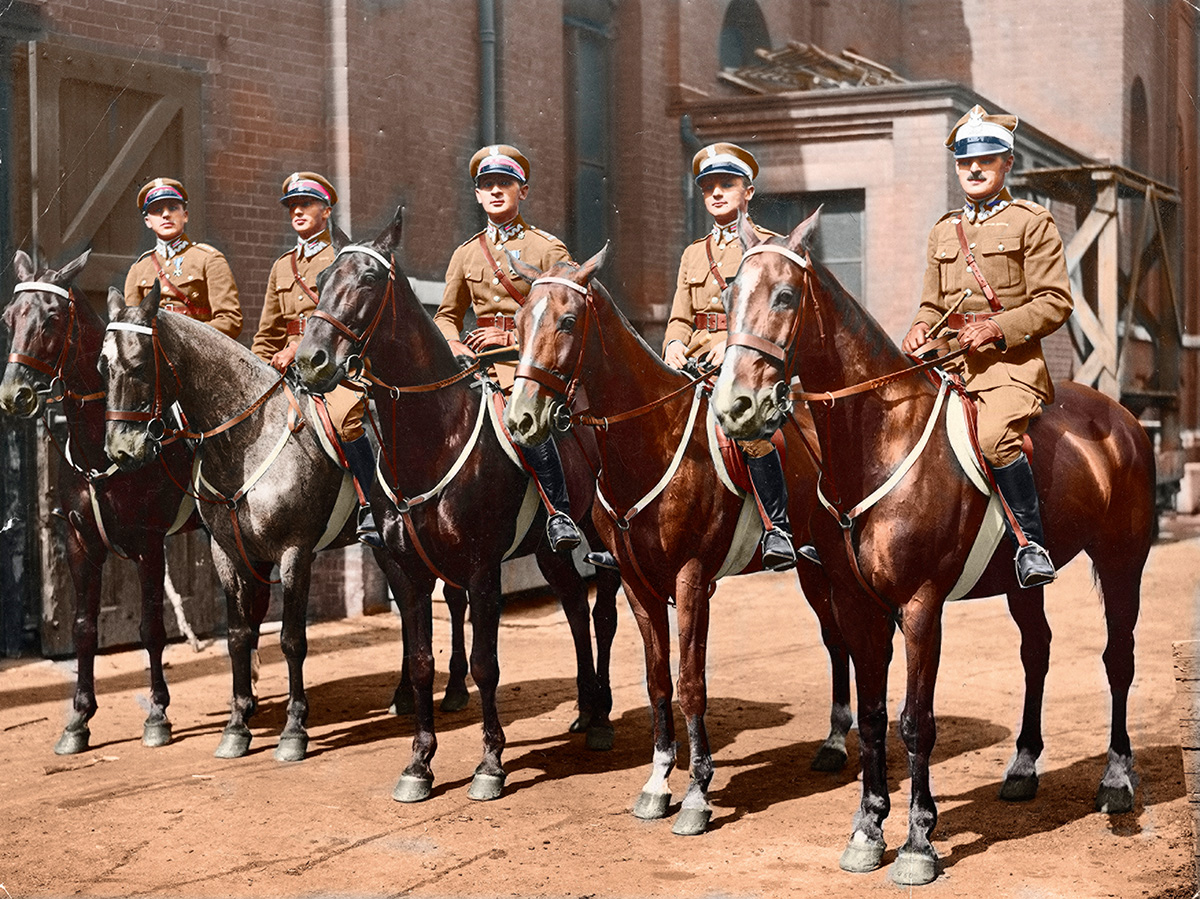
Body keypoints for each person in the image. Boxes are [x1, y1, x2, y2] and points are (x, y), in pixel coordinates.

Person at [901, 105, 1074, 588]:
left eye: (986, 160)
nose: (974, 169)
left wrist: (998, 328)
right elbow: (932, 304)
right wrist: (920, 326)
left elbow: (1055, 301)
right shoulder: (943, 229)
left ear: (1007, 163)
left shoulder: (1031, 222)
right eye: (964, 161)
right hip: (946, 360)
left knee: (995, 437)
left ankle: (1031, 544)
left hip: (1008, 367)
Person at [661, 142, 803, 571]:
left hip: (746, 365)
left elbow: (772, 316)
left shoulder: (769, 249)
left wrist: (730, 342)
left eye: (727, 184)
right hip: (693, 366)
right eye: (709, 188)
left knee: (749, 431)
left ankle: (777, 529)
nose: (717, 193)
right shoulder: (693, 253)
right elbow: (680, 317)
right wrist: (673, 344)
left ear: (749, 192)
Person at [433, 144, 582, 555]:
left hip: (528, 364)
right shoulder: (466, 254)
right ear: (478, 195)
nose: (496, 191)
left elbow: (566, 317)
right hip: (473, 364)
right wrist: (453, 342)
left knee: (524, 418)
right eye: (487, 185)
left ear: (523, 191)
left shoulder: (547, 249)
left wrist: (512, 340)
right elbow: (446, 315)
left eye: (505, 183)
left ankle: (558, 512)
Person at [250, 172, 381, 549]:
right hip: (286, 371)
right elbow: (267, 332)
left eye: (306, 204)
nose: (298, 211)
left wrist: (297, 347)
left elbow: (349, 318)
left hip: (334, 367)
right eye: (292, 205)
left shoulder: (343, 257)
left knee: (343, 419)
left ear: (326, 210)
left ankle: (372, 505)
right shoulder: (283, 266)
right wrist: (257, 369)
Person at [125, 178, 242, 339]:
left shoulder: (209, 259)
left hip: (198, 348)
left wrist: (185, 338)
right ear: (148, 221)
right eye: (157, 210)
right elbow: (131, 325)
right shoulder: (139, 269)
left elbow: (230, 320)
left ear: (185, 215)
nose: (166, 214)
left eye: (173, 208)